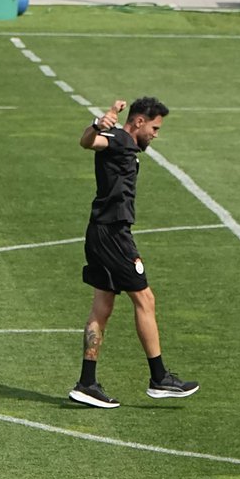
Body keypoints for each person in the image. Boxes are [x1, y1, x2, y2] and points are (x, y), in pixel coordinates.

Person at [68, 97, 198, 408]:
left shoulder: (125, 144)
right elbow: (88, 142)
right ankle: (159, 377)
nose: (156, 134)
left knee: (102, 306)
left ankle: (87, 383)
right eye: (154, 127)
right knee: (145, 298)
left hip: (101, 231)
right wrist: (97, 124)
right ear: (139, 121)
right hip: (113, 234)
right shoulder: (119, 139)